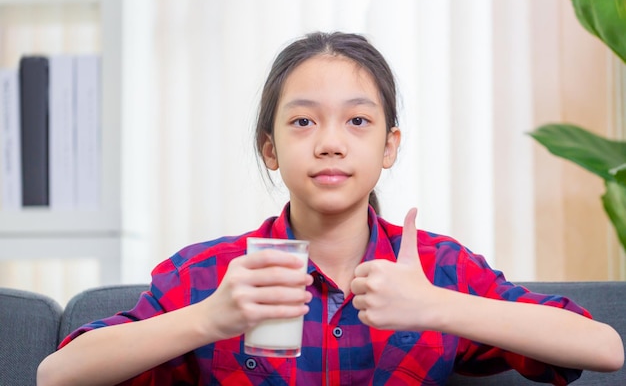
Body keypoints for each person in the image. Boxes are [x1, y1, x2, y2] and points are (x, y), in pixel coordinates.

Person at [37, 31, 623, 386]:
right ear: (270, 147)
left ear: (389, 146)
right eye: (302, 122)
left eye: (358, 121)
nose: (330, 142)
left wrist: (438, 307)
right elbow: (55, 375)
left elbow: (603, 347)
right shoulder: (220, 275)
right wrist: (211, 318)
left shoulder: (435, 269)